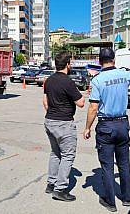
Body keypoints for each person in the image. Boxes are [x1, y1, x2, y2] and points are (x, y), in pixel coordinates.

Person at [83, 48, 130, 212]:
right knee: (124, 164)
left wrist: (87, 128)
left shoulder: (97, 80)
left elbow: (93, 108)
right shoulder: (124, 75)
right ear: (114, 59)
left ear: (99, 61)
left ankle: (110, 202)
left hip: (106, 127)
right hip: (122, 125)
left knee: (107, 166)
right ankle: (126, 197)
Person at [43, 52, 85, 202]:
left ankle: (51, 183)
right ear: (67, 64)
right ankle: (60, 189)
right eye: (71, 62)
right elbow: (80, 103)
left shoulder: (48, 80)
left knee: (55, 153)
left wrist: (53, 112)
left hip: (49, 121)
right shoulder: (67, 82)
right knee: (68, 155)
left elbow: (45, 102)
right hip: (64, 123)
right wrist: (86, 93)